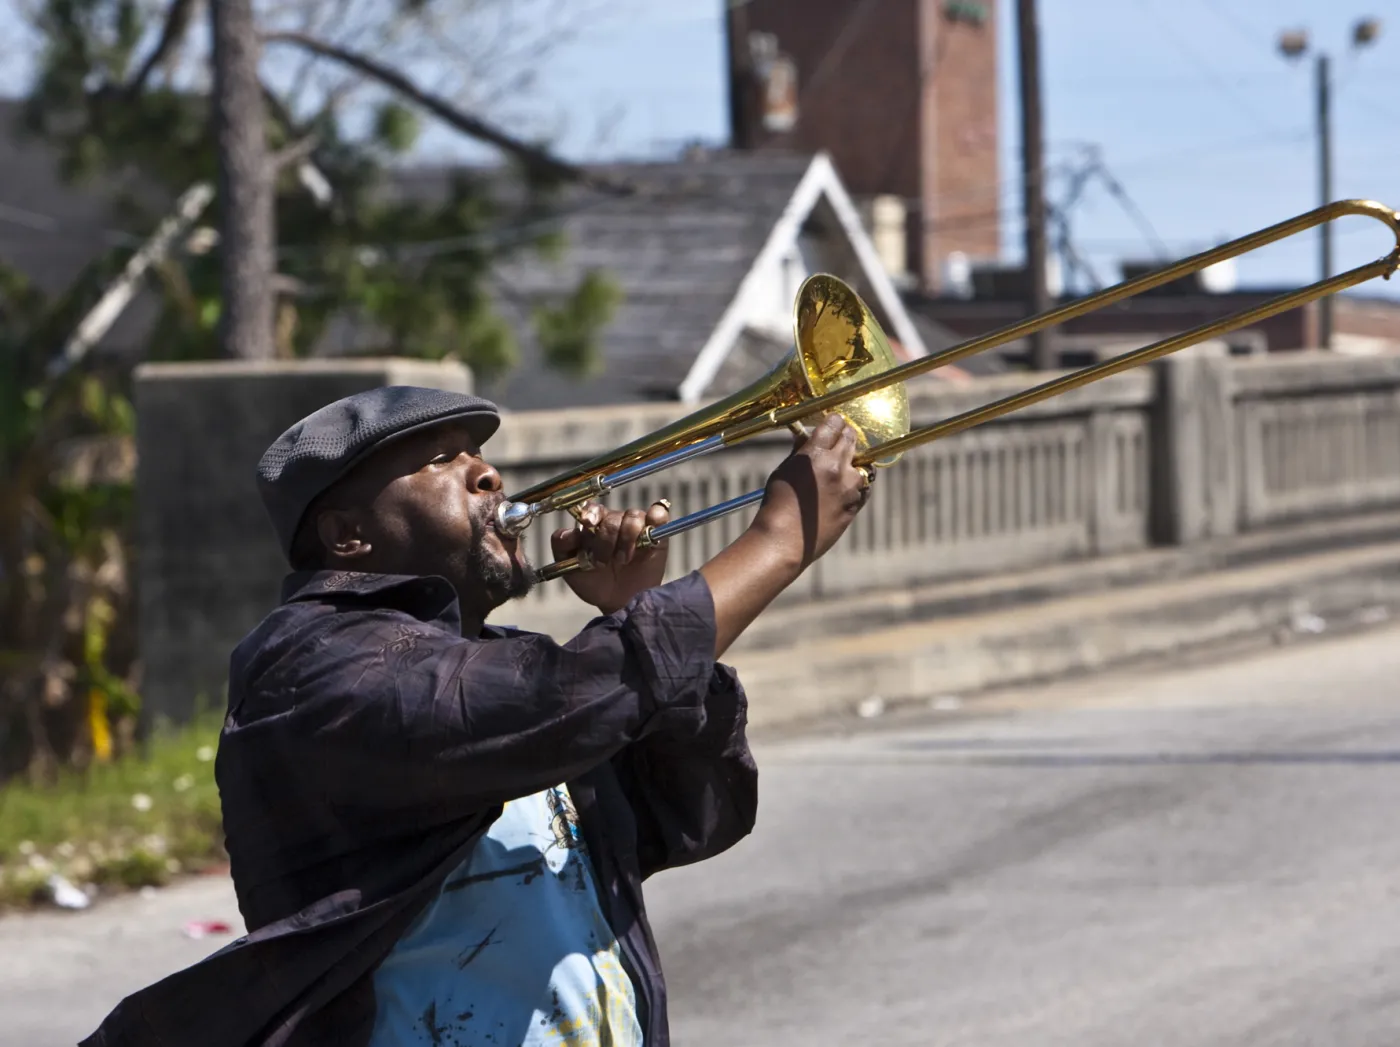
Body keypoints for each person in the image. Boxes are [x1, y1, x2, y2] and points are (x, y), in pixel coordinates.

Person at [82, 385, 874, 1047]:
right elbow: (555, 696)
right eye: (441, 460)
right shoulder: (310, 667)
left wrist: (632, 613)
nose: (489, 474)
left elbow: (690, 815)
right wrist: (778, 541)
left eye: (478, 454)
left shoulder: (501, 664)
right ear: (348, 534)